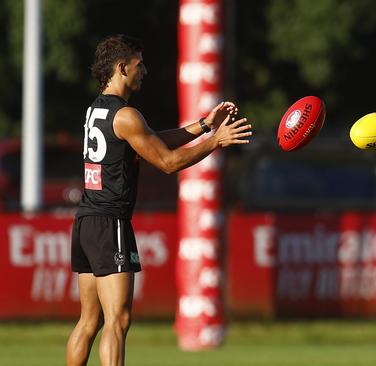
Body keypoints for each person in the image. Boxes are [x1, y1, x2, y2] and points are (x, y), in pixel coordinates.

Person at [66, 34, 252, 366]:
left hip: (86, 221)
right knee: (118, 322)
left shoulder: (97, 109)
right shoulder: (127, 116)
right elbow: (167, 162)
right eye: (140, 64)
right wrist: (216, 142)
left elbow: (148, 141)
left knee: (88, 322)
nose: (145, 71)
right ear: (122, 68)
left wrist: (204, 126)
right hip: (111, 224)